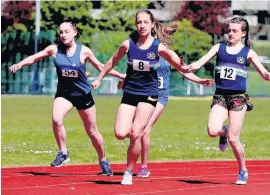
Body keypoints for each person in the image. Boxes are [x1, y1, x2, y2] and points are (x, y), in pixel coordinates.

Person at [9, 20, 126, 176]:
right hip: (64, 94)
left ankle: (103, 160)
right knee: (57, 119)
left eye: (66, 31)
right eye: (61, 32)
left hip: (83, 95)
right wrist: (21, 64)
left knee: (92, 132)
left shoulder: (84, 51)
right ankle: (63, 152)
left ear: (75, 33)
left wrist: (120, 75)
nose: (63, 35)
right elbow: (35, 57)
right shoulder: (54, 49)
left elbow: (100, 66)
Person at [91, 9, 191, 185]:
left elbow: (175, 60)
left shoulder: (158, 47)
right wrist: (99, 79)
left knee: (136, 133)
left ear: (152, 25)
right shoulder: (128, 44)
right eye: (139, 22)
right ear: (136, 25)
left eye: (145, 22)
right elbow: (111, 61)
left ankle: (129, 171)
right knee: (121, 133)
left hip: (149, 95)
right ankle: (133, 156)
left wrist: (184, 67)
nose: (142, 25)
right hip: (130, 93)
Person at [186, 16, 270, 185]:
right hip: (221, 97)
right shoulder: (219, 48)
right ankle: (222, 132)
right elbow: (198, 63)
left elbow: (264, 74)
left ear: (243, 33)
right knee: (212, 130)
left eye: (235, 31)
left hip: (238, 99)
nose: (230, 33)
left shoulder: (248, 53)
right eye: (229, 30)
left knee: (234, 138)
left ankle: (243, 170)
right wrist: (187, 67)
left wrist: (267, 75)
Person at [136, 56, 214, 178]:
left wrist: (200, 81)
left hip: (160, 96)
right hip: (144, 94)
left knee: (145, 130)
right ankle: (131, 163)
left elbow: (183, 70)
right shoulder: (145, 52)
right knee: (133, 131)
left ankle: (143, 167)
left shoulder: (168, 55)